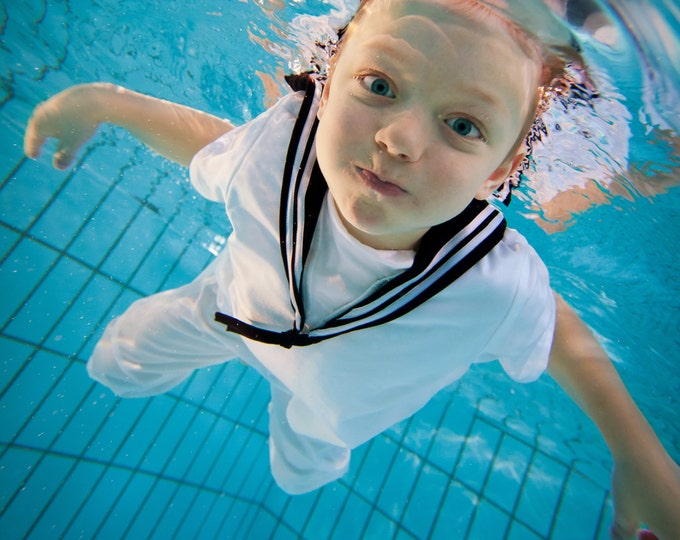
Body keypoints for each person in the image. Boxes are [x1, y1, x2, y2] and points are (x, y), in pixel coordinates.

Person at [23, 0, 680, 537]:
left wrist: (636, 450)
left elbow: (560, 332)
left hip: (330, 408)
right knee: (117, 360)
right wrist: (106, 102)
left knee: (298, 474)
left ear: (503, 171)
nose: (398, 140)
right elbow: (208, 142)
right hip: (224, 312)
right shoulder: (279, 146)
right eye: (381, 86)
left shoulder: (488, 281)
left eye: (462, 126)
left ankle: (614, 182)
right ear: (331, 80)